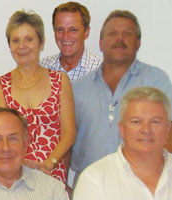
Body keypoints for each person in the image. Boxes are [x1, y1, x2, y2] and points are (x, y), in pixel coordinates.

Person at [71, 10, 172, 185]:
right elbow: (66, 138)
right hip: (90, 185)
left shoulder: (155, 80)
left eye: (127, 34)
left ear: (138, 43)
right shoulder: (78, 88)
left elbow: (168, 133)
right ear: (101, 43)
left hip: (141, 183)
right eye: (113, 33)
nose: (120, 39)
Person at [0, 9, 76, 184]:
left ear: (42, 42)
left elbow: (69, 132)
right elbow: (0, 136)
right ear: (9, 46)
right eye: (15, 40)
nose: (22, 46)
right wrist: (20, 166)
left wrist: (49, 163)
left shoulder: (60, 80)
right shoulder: (0, 85)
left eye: (29, 39)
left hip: (52, 172)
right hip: (14, 175)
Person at [74, 87, 172, 200]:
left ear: (168, 129)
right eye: (136, 122)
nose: (146, 130)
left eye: (155, 122)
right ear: (122, 129)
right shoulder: (95, 179)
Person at [40, 1, 101, 82]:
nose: (65, 36)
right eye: (60, 29)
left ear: (86, 32)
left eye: (73, 30)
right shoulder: (43, 67)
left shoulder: (102, 71)